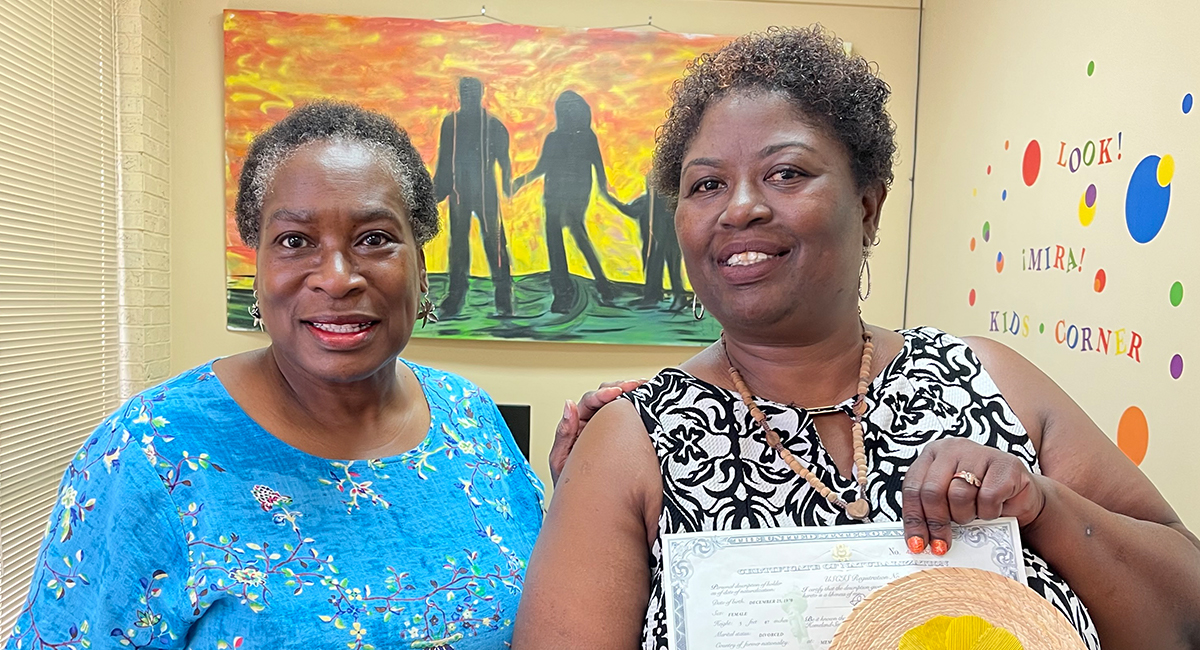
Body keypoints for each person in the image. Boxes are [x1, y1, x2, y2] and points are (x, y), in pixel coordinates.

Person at [514, 27, 1200, 650]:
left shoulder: (994, 382)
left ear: (867, 206)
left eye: (786, 173)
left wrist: (1041, 505)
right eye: (706, 185)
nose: (741, 206)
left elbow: (1185, 614)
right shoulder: (632, 441)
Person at [4, 101, 608, 649]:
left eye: (375, 239)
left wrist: (577, 501)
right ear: (260, 273)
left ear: (422, 271)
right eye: (295, 240)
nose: (338, 276)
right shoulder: (151, 452)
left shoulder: (472, 417)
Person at [512, 90, 621, 313]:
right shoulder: (554, 138)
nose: (570, 110)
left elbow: (598, 168)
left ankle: (601, 283)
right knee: (556, 242)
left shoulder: (588, 137)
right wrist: (521, 181)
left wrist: (605, 193)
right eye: (566, 106)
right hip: (552, 196)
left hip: (576, 196)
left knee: (578, 234)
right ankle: (563, 293)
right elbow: (541, 168)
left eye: (574, 106)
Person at [433, 77, 514, 317]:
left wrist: (508, 185)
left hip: (486, 193)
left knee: (496, 243)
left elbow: (504, 161)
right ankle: (456, 296)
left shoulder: (493, 125)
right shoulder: (451, 123)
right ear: (459, 94)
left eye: (472, 92)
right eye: (463, 92)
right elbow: (445, 158)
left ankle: (504, 297)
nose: (467, 96)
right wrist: (437, 189)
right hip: (459, 193)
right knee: (457, 245)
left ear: (480, 94)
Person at [612, 176, 687, 310]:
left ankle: (678, 297)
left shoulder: (673, 202)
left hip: (670, 237)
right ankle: (653, 296)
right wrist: (612, 200)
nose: (649, 186)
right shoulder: (646, 201)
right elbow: (630, 210)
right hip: (657, 238)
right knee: (655, 266)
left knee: (673, 268)